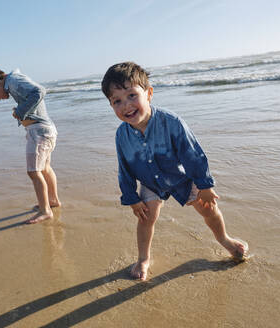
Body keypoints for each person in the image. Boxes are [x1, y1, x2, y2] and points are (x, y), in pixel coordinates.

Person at [101, 62, 248, 281]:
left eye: (132, 95)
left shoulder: (171, 122)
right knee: (145, 219)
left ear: (149, 94)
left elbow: (193, 154)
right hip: (150, 181)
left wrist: (205, 186)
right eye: (117, 101)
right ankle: (143, 258)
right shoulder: (122, 135)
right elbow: (124, 168)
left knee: (209, 209)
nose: (126, 105)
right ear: (111, 105)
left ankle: (225, 239)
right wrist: (131, 197)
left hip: (182, 178)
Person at [0, 64, 61, 224]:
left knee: (34, 172)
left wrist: (20, 112)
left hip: (39, 132)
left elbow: (39, 91)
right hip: (44, 131)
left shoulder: (13, 81)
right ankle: (52, 200)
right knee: (45, 168)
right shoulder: (13, 81)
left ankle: (45, 210)